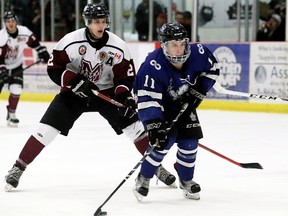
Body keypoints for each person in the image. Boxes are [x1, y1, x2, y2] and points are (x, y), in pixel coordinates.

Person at [4, 3, 175, 192]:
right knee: (46, 129)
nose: (100, 25)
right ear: (87, 23)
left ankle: (156, 167)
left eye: (103, 21)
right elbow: (54, 69)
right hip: (73, 94)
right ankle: (18, 167)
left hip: (107, 93)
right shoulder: (70, 41)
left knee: (135, 128)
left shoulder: (118, 46)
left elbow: (125, 78)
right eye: (95, 22)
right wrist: (73, 81)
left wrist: (125, 96)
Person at [133, 22, 220, 201]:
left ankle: (186, 180)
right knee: (162, 142)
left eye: (182, 44)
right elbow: (147, 99)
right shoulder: (152, 65)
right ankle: (143, 178)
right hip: (159, 107)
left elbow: (212, 69)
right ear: (164, 45)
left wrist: (198, 91)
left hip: (183, 104)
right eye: (174, 44)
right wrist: (154, 125)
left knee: (190, 142)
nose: (179, 49)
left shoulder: (198, 53)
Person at [0, 11, 50, 127]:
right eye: (8, 21)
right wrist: (2, 71)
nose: (11, 23)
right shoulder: (1, 37)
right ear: (5, 23)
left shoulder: (24, 32)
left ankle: (11, 114)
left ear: (16, 21)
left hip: (16, 65)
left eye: (13, 21)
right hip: (2, 67)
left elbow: (35, 43)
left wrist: (42, 52)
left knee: (16, 89)